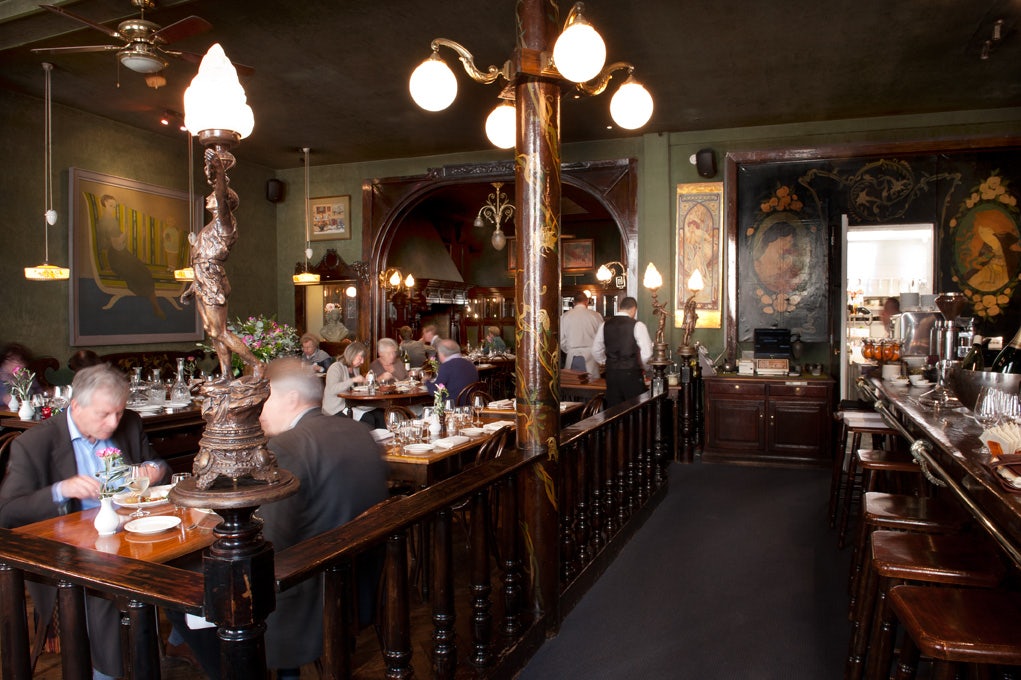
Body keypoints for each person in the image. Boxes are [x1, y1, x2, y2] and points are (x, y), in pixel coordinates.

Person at [172, 358, 388, 678]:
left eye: (263, 401)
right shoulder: (358, 431)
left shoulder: (286, 447)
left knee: (180, 594)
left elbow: (271, 540)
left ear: (289, 399)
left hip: (302, 602)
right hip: (360, 585)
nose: (258, 412)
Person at [0, 364, 169, 679]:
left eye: (119, 412)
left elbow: (159, 466)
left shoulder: (129, 423)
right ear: (76, 406)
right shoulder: (35, 443)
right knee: (101, 584)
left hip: (132, 533)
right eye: (105, 414)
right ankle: (108, 673)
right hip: (68, 551)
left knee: (187, 570)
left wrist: (153, 469)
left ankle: (185, 643)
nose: (114, 422)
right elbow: (7, 511)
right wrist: (60, 490)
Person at [181, 147, 263, 381]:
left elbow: (219, 194)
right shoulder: (209, 228)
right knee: (212, 332)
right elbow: (199, 262)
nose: (209, 197)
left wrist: (218, 171)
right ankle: (226, 374)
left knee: (219, 330)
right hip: (203, 280)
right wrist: (192, 287)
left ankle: (256, 364)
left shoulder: (224, 224)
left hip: (213, 279)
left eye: (215, 197)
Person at [591, 296, 653, 407]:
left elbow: (595, 350)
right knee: (635, 409)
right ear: (634, 309)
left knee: (614, 409)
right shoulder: (638, 325)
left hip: (611, 373)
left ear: (620, 307)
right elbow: (647, 353)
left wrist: (606, 362)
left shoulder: (605, 325)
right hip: (631, 373)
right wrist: (644, 367)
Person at [322, 341, 383, 428]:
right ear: (352, 355)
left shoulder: (355, 369)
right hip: (335, 409)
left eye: (363, 358)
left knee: (380, 415)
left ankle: (382, 440)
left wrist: (369, 381)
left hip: (351, 406)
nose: (362, 361)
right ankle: (363, 441)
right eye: (360, 358)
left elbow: (356, 389)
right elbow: (332, 389)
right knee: (368, 419)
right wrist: (353, 380)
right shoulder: (336, 367)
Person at [560, 293, 605, 380]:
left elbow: (561, 340)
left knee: (572, 385)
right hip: (591, 356)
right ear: (587, 301)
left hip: (572, 355)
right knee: (592, 386)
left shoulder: (565, 317)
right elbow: (602, 339)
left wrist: (570, 350)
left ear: (573, 302)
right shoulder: (596, 316)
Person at [427, 338, 479, 405]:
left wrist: (426, 381)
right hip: (470, 407)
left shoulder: (446, 366)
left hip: (451, 409)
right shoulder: (471, 364)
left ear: (442, 353)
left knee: (416, 409)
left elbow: (434, 391)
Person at [1, 342, 38, 409]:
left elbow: (39, 393)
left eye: (21, 361)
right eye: (13, 360)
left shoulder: (27, 376)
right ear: (5, 361)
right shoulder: (2, 376)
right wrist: (3, 399)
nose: (18, 364)